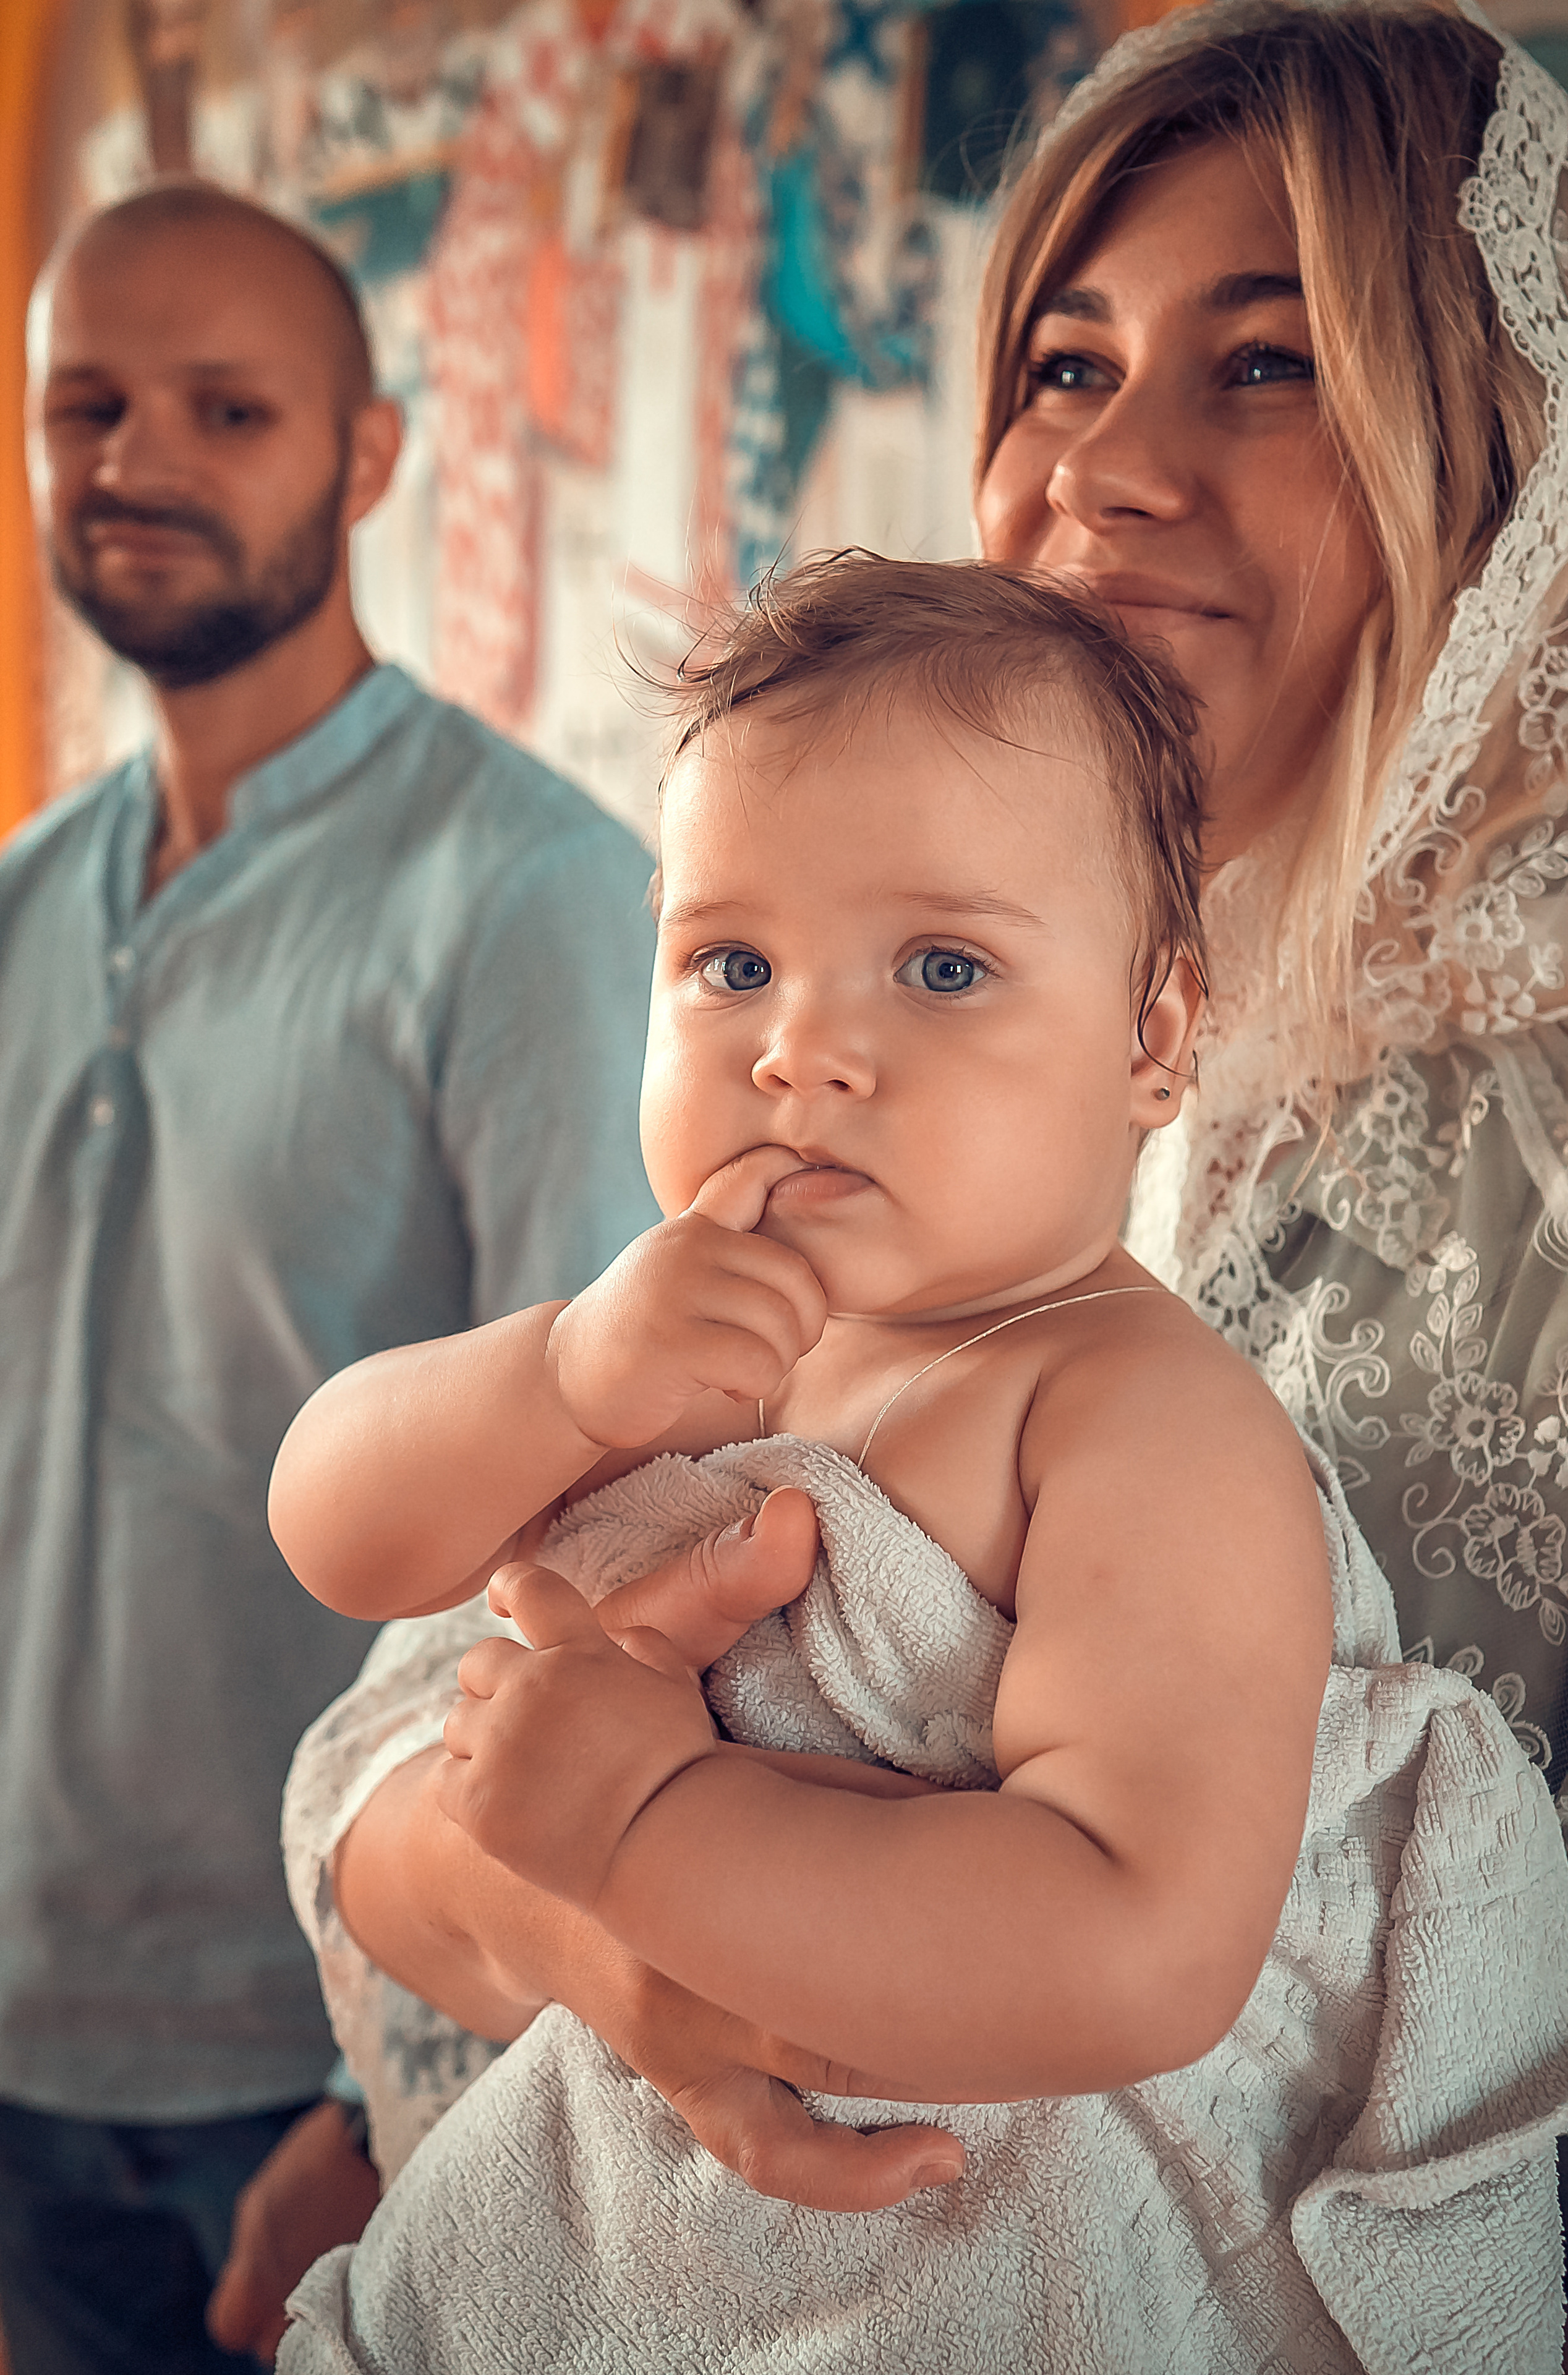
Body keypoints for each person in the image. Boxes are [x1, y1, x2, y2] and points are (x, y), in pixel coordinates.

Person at [272, 556, 1568, 2374]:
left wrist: (646, 1829)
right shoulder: (694, 1331)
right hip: (658, 2235)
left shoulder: (1139, 1416)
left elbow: (1136, 1948)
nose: (802, 1050)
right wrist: (563, 1376)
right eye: (732, 963)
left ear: (1154, 1034)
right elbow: (334, 1521)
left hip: (1005, 2259)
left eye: (943, 966)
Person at [0, 177, 658, 2373]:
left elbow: (615, 1530)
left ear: (367, 460)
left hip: (318, 2064)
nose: (137, 462)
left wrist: (403, 2088)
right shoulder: (19, 901)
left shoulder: (534, 898)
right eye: (83, 405)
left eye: (225, 408)